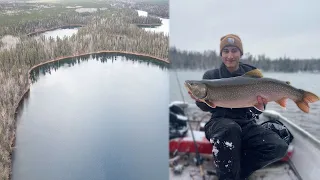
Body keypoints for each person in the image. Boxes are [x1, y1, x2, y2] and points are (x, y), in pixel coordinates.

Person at [187, 34, 289, 180]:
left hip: (246, 124)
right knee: (230, 129)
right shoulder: (211, 76)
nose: (230, 55)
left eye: (234, 51)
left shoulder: (252, 75)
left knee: (278, 146)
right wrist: (199, 100)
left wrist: (260, 103)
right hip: (218, 124)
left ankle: (238, 174)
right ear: (221, 53)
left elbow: (257, 110)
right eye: (226, 51)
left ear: (240, 53)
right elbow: (206, 107)